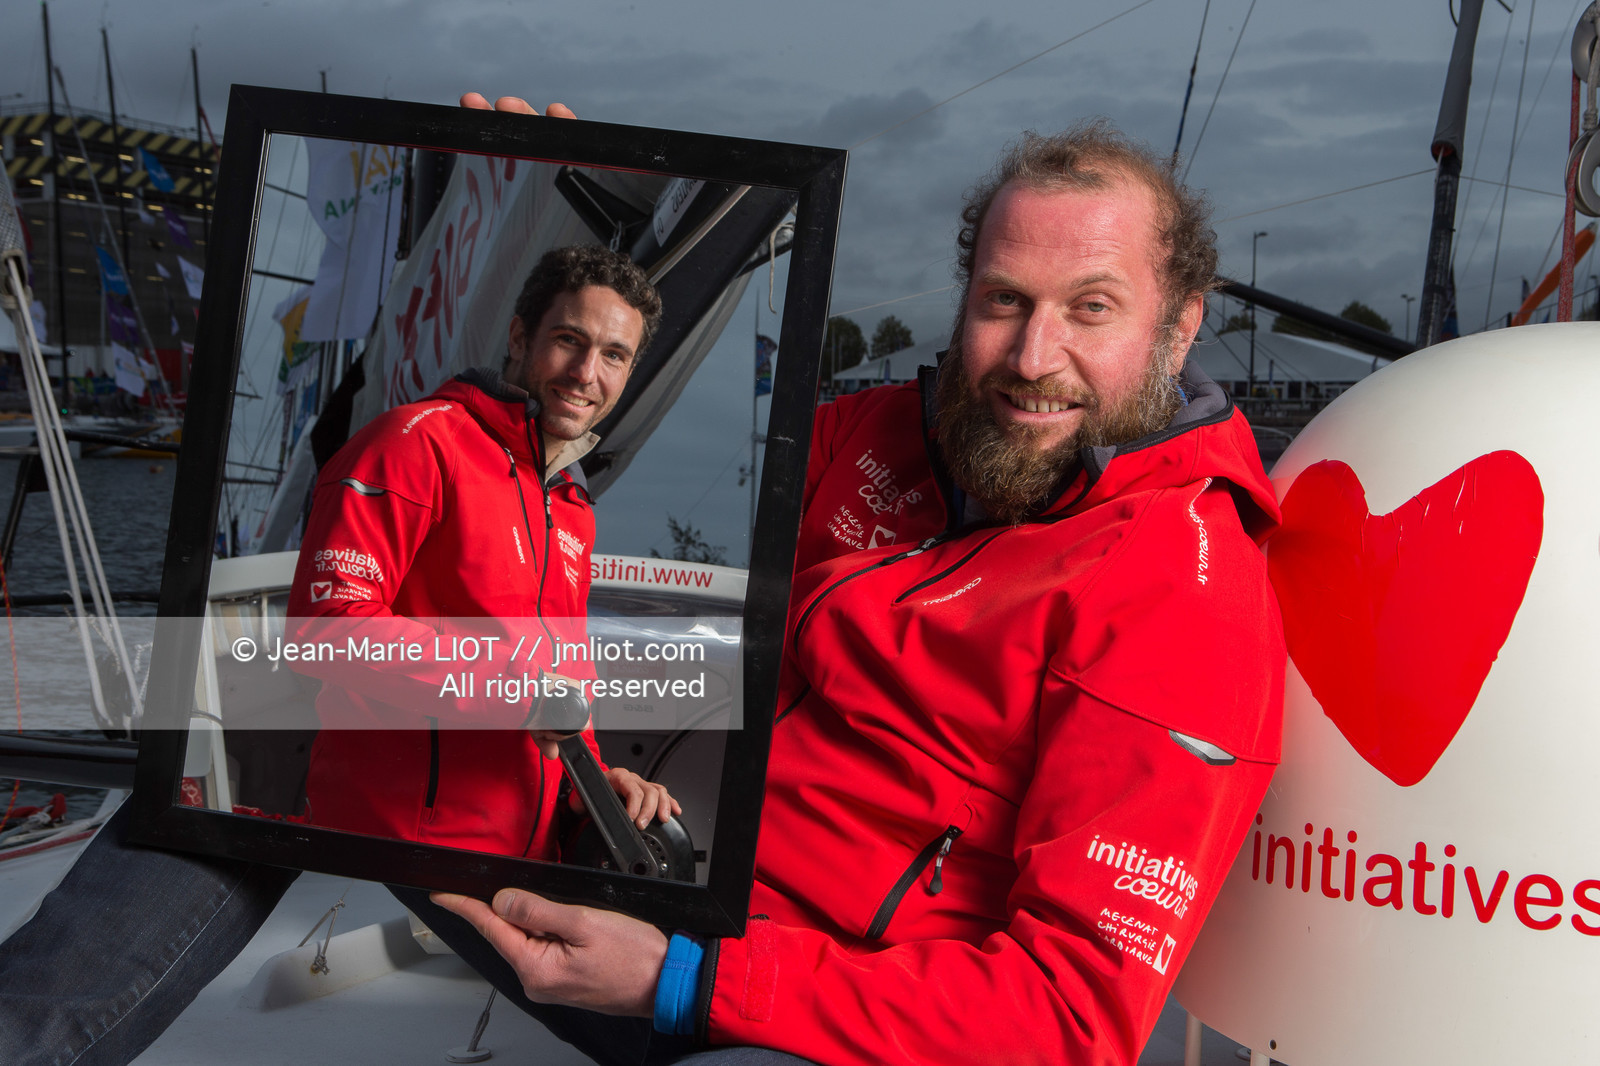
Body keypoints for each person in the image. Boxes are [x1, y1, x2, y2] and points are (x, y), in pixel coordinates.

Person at [419, 115, 1286, 1066]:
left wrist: (684, 981)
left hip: (836, 1029)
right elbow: (567, 449)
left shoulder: (1184, 592)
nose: (1033, 358)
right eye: (1004, 300)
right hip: (687, 902)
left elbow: (1065, 1023)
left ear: (1179, 327)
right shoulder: (869, 436)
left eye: (1091, 307)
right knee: (268, 804)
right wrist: (564, 215)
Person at [0, 242, 681, 1065]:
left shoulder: (569, 505)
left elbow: (559, 686)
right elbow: (329, 629)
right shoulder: (416, 443)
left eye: (615, 355)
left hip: (512, 851)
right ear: (519, 337)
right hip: (392, 828)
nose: (587, 372)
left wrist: (597, 781)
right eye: (570, 340)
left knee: (678, 1027)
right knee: (51, 1028)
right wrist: (510, 688)